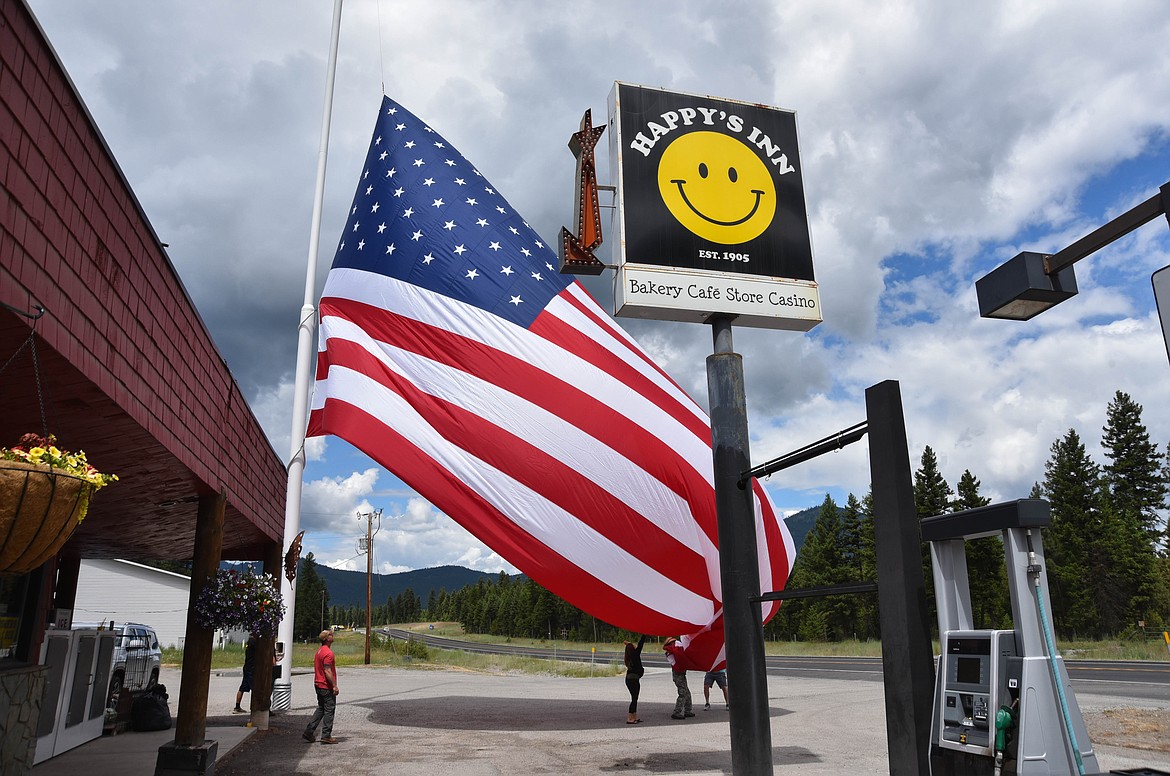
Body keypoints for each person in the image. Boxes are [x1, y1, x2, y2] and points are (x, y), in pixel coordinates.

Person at [303, 629, 340, 744]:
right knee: (329, 709)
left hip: (318, 683)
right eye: (330, 634)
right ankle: (326, 735)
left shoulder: (319, 651)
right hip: (325, 685)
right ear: (325, 639)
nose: (332, 635)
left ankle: (309, 731)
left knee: (321, 708)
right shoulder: (328, 653)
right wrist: (334, 685)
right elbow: (327, 670)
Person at [663, 637, 694, 720]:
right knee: (683, 693)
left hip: (680, 675)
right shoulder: (672, 652)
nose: (676, 643)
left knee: (687, 693)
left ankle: (688, 711)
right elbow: (678, 659)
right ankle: (677, 712)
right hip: (678, 675)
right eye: (673, 642)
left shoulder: (674, 651)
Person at [623, 635, 647, 724]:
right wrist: (644, 634)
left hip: (630, 679)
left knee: (634, 698)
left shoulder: (629, 656)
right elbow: (640, 644)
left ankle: (634, 717)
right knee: (634, 698)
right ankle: (630, 718)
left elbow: (632, 647)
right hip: (633, 679)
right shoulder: (635, 655)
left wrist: (629, 644)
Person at [233, 632, 258, 713]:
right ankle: (256, 707)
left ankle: (237, 706)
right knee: (255, 688)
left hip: (247, 667)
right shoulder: (254, 642)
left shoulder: (249, 642)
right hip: (251, 668)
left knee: (243, 687)